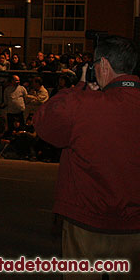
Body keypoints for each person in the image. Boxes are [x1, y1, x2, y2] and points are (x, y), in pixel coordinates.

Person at [34, 35, 140, 279]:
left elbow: (45, 124)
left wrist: (79, 87)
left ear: (102, 65)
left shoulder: (83, 103)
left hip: (86, 220)